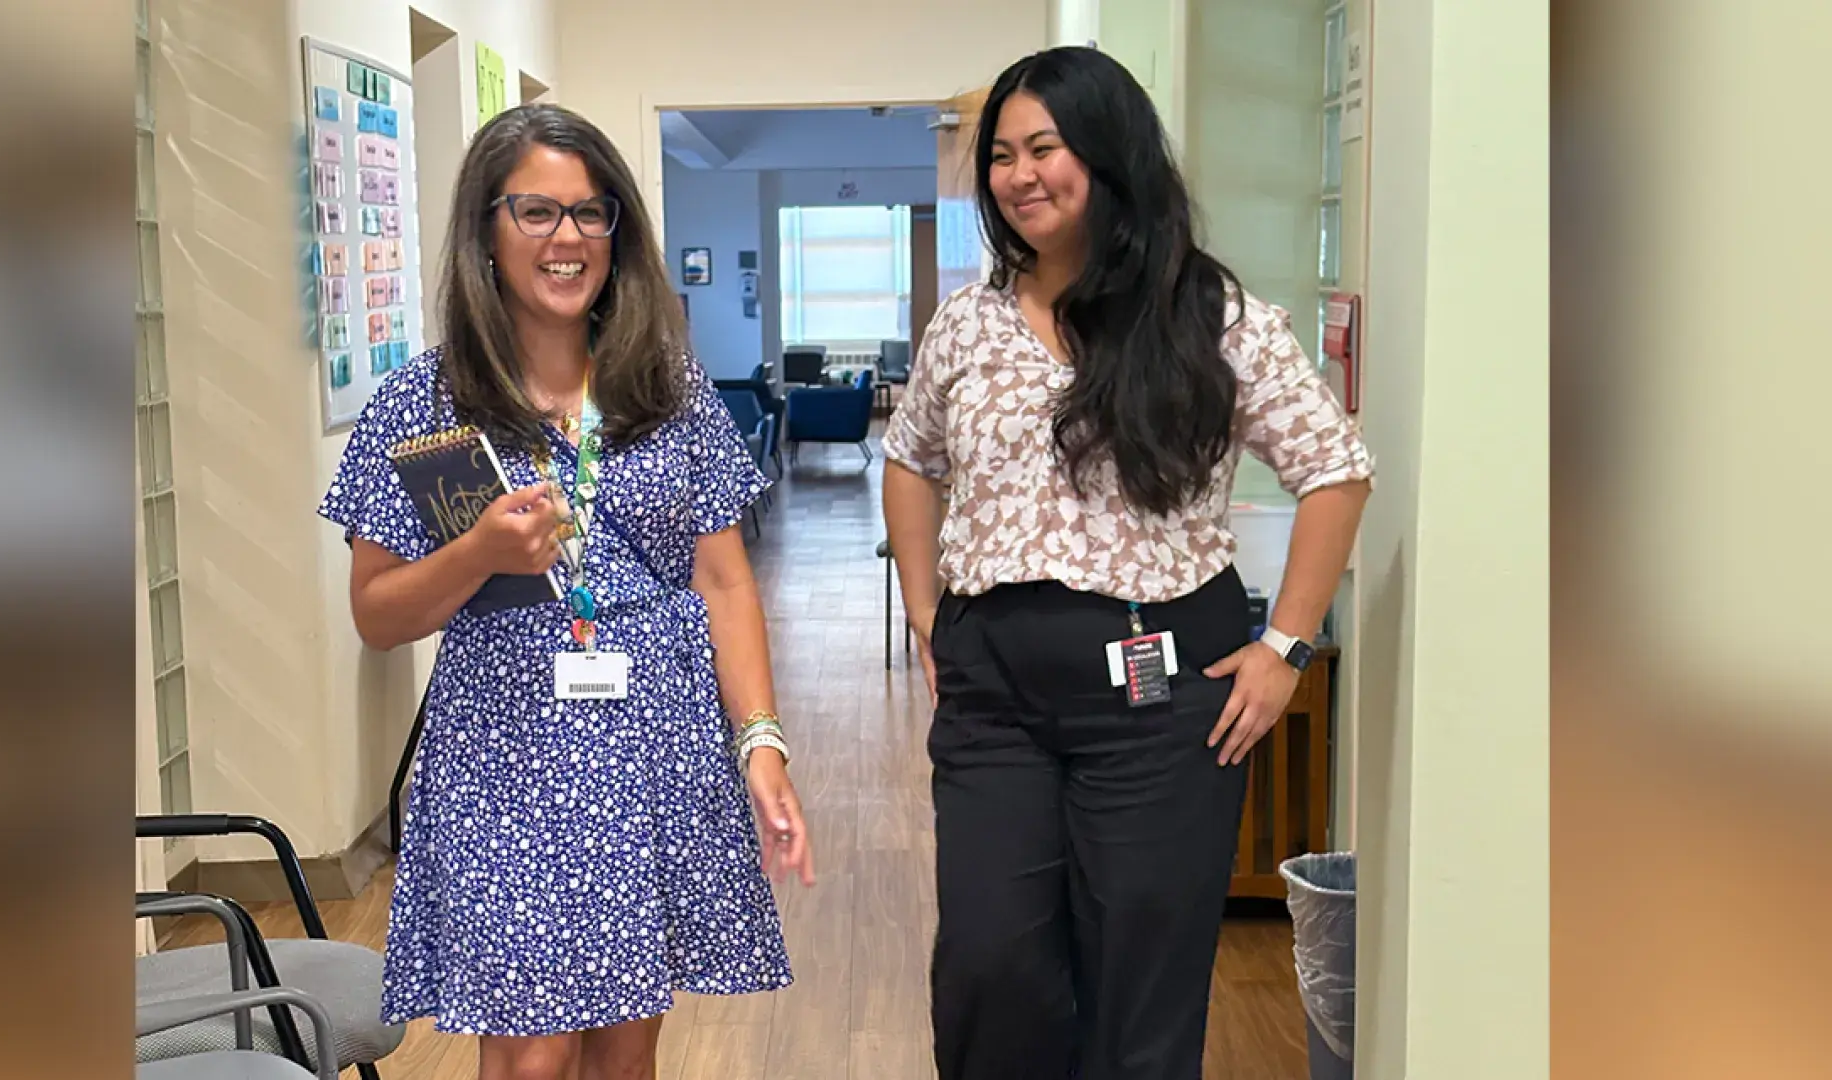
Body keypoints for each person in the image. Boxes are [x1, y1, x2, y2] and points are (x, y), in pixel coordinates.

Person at [882, 47, 1375, 1080]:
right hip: (995, 693)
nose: (1020, 175)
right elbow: (910, 460)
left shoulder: (1211, 317)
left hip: (1161, 694)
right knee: (989, 964)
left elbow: (1335, 470)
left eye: (1045, 148)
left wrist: (1283, 646)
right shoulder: (966, 323)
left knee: (1141, 980)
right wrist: (927, 612)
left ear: (1109, 156)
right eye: (1003, 156)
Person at [319, 103, 815, 1080]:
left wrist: (761, 743)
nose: (569, 239)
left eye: (593, 215)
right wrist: (476, 557)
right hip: (507, 757)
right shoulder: (426, 400)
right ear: (485, 230)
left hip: (651, 746)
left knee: (625, 1048)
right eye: (537, 212)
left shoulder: (666, 386)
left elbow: (722, 577)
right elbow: (377, 615)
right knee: (534, 1054)